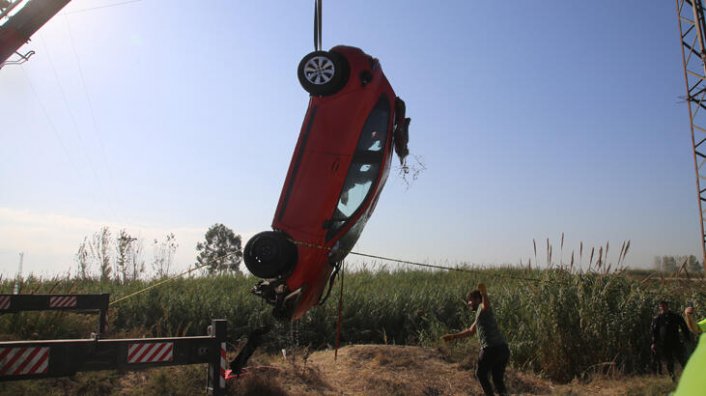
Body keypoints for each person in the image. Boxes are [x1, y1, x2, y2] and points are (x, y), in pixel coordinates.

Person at [442, 283, 510, 396]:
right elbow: (470, 331)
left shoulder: (482, 307)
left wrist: (484, 293)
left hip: (491, 348)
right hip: (503, 349)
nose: (468, 303)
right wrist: (453, 336)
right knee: (497, 380)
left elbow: (486, 305)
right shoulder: (480, 314)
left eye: (470, 300)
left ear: (478, 299)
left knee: (480, 374)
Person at [651, 300, 691, 381]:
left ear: (667, 306)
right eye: (661, 306)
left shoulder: (675, 316)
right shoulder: (657, 318)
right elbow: (654, 331)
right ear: (659, 307)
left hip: (675, 341)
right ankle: (672, 377)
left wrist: (687, 338)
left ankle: (688, 375)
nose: (663, 308)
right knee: (669, 361)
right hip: (664, 343)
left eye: (664, 306)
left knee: (681, 359)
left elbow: (684, 327)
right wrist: (654, 343)